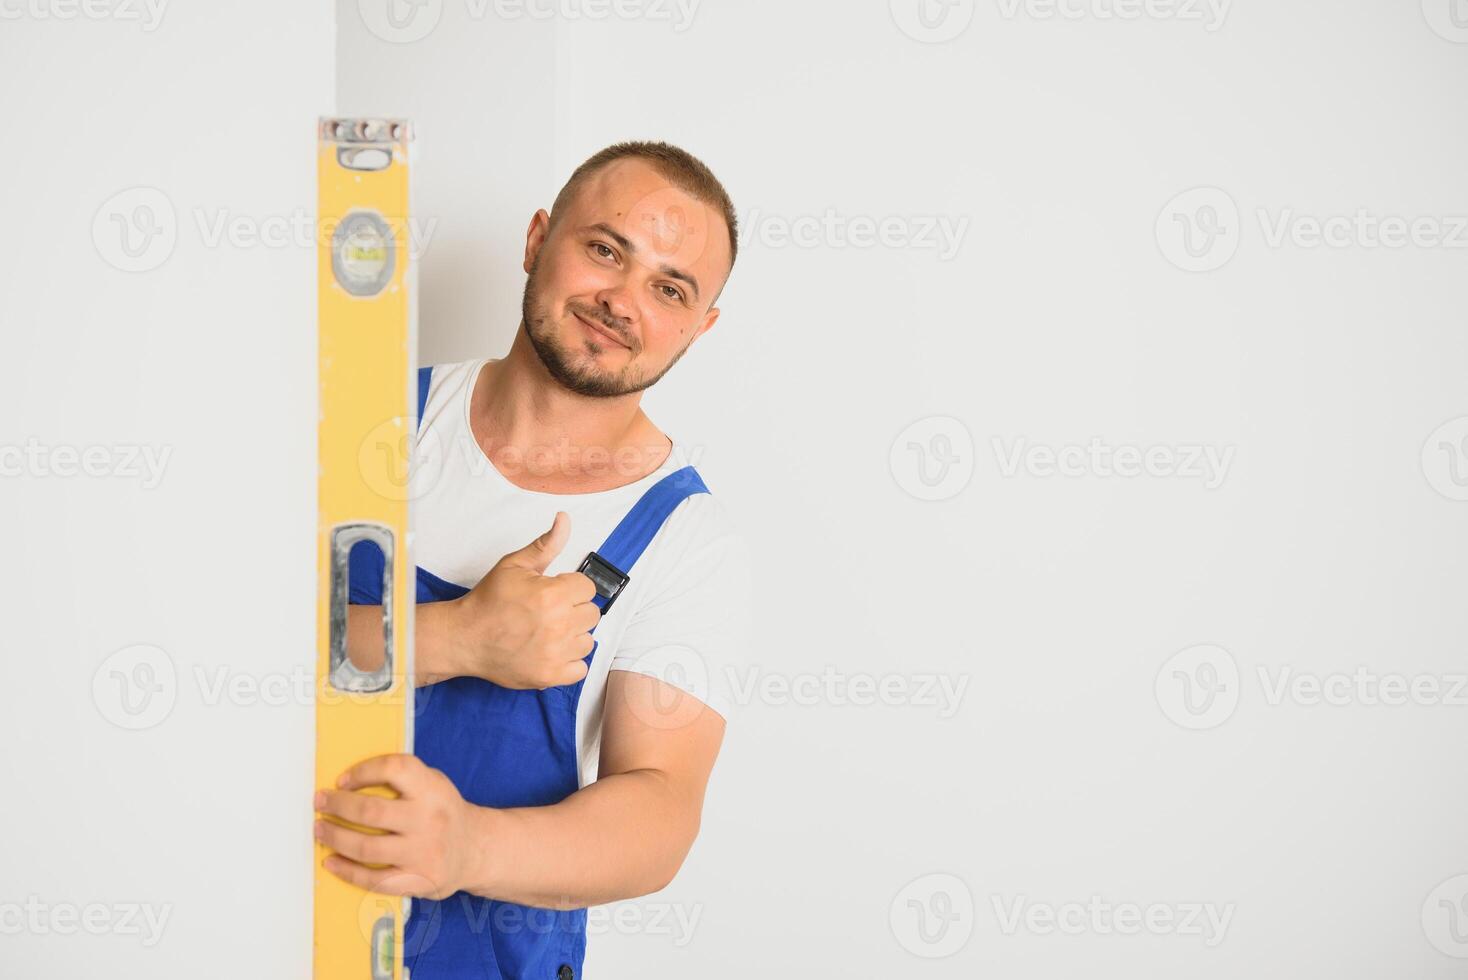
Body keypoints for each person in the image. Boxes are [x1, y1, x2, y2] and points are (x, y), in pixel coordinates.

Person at [312, 141, 750, 979]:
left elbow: (659, 815)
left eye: (669, 288)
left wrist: (467, 846)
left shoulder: (688, 541)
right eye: (604, 249)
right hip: (263, 911)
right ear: (537, 239)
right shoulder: (366, 417)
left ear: (701, 325)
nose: (622, 300)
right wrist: (456, 639)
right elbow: (227, 650)